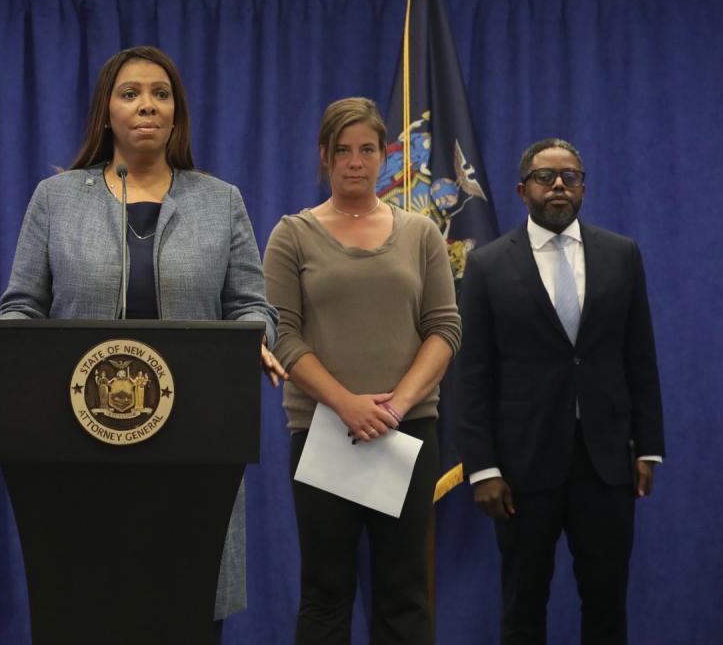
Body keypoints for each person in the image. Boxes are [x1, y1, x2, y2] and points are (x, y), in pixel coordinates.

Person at [0, 45, 284, 633]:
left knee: (183, 613)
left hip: (194, 446)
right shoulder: (56, 199)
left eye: (160, 93)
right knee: (90, 610)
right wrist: (11, 347)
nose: (146, 105)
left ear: (177, 112)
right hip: (80, 443)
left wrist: (252, 340)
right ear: (106, 112)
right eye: (130, 94)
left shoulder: (219, 200)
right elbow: (22, 304)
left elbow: (252, 305)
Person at [263, 97, 461, 645]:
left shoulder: (421, 235)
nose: (355, 161)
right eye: (343, 150)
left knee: (405, 593)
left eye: (367, 149)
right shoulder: (292, 235)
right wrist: (346, 404)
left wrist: (392, 407)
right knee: (326, 595)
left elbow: (444, 330)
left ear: (384, 157)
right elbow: (281, 334)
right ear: (324, 157)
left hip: (407, 431)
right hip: (324, 431)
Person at [453, 138, 664, 644]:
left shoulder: (621, 255)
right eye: (546, 177)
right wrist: (483, 467)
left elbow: (640, 359)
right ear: (522, 189)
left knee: (607, 602)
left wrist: (649, 448)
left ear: (583, 188)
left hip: (607, 461)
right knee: (524, 604)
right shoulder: (487, 266)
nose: (559, 187)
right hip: (522, 468)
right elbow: (473, 375)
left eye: (570, 177)